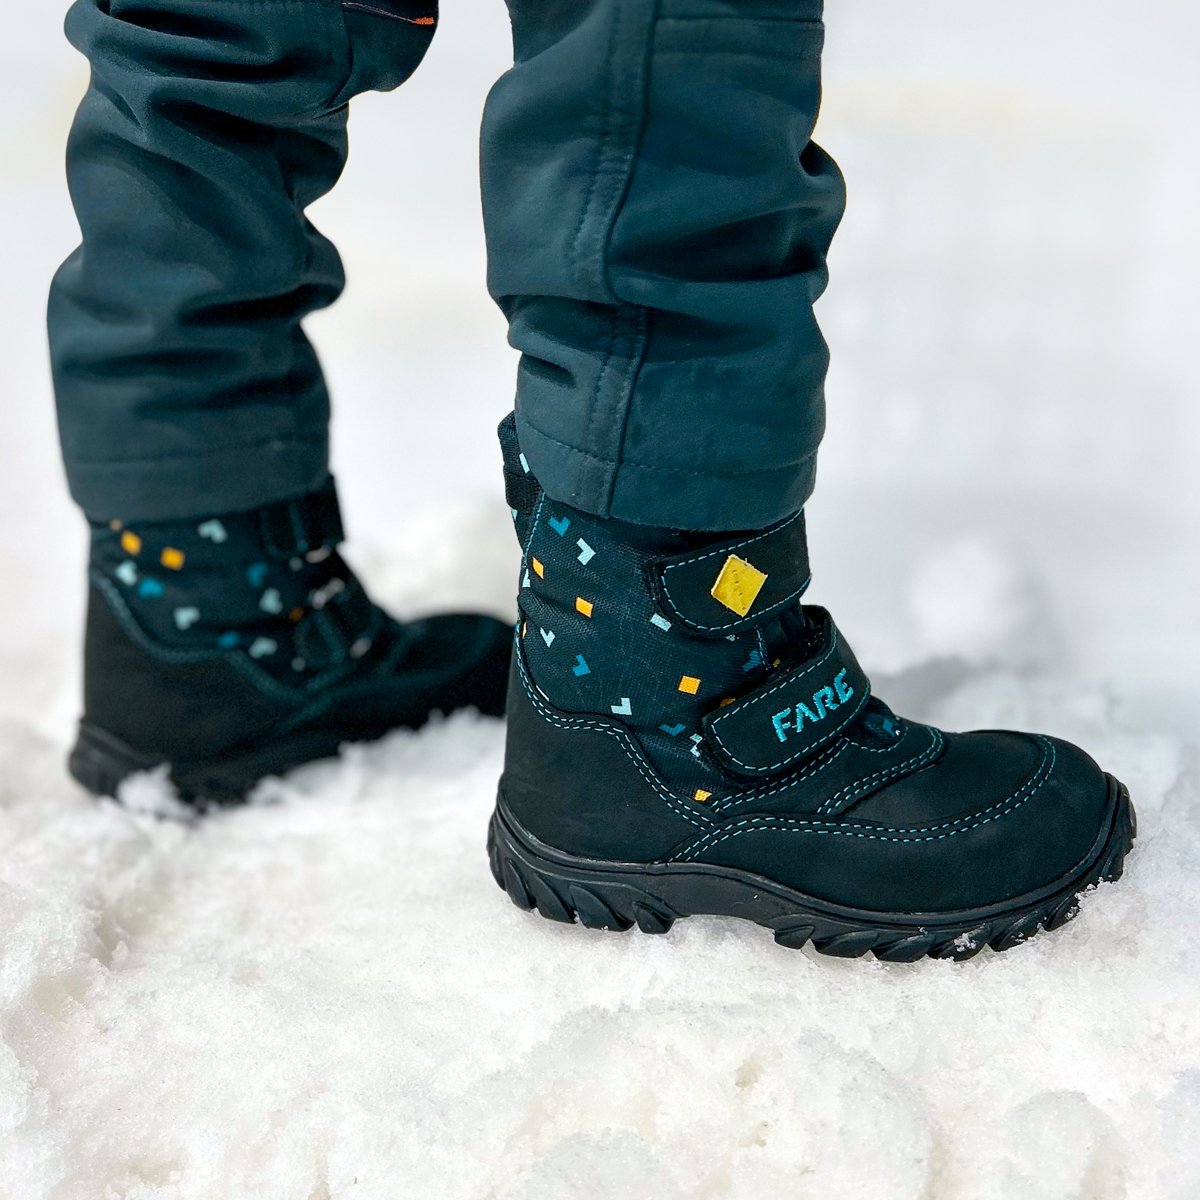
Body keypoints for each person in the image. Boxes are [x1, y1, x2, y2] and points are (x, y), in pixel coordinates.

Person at [49, 0, 1134, 960]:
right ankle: (666, 705)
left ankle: (207, 609)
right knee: (661, 49)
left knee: (213, 38)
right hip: (670, 715)